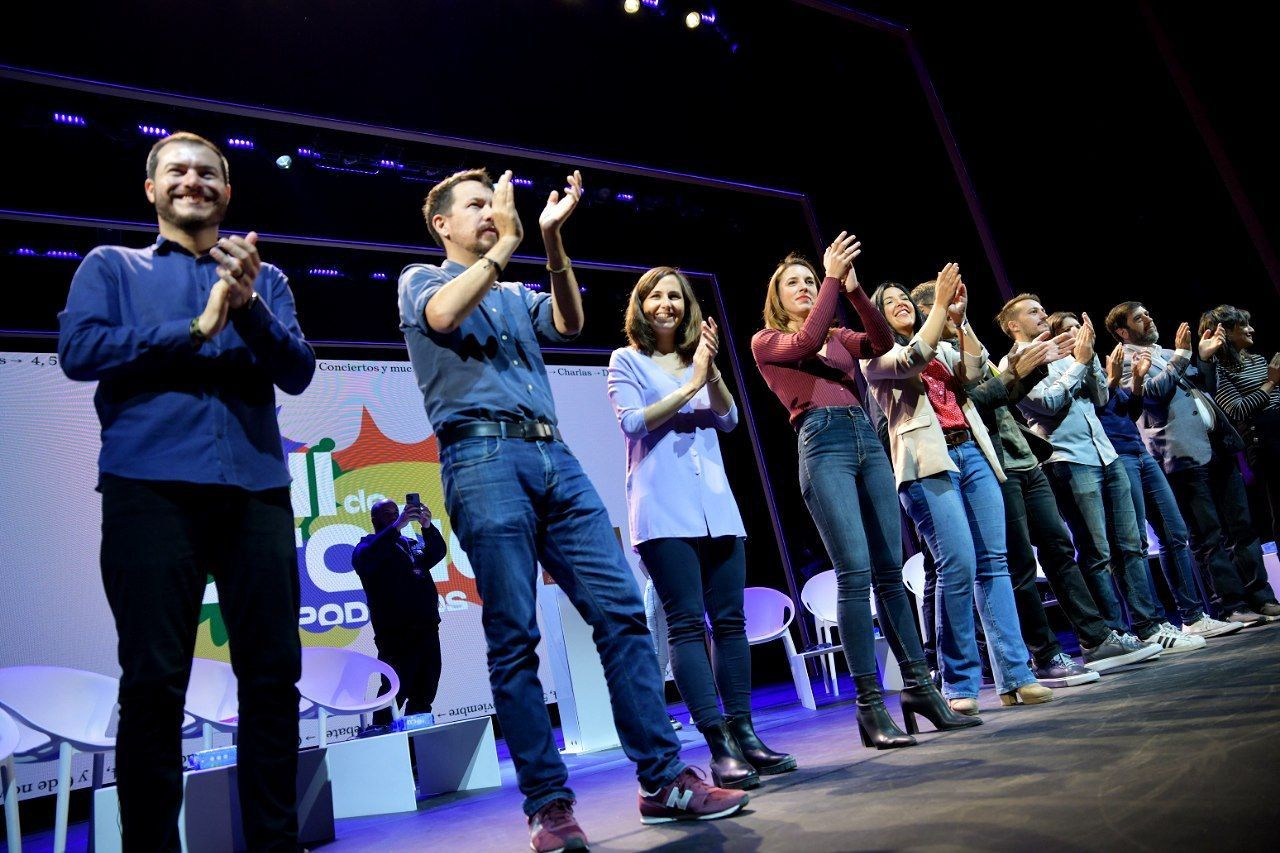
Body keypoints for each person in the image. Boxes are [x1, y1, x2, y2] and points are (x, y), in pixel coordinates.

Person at [397, 168, 746, 852]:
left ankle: (663, 779)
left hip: (556, 458)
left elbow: (569, 320)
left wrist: (552, 243)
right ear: (442, 224)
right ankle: (550, 806)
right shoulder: (421, 279)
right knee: (513, 636)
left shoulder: (514, 291)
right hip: (481, 458)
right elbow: (443, 318)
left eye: (497, 204)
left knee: (620, 612)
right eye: (477, 205)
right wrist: (503, 249)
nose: (493, 212)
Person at [58, 132, 315, 850]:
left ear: (228, 193)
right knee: (152, 684)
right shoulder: (111, 266)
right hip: (150, 492)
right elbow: (80, 351)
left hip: (256, 491)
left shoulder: (267, 277)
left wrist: (249, 306)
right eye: (177, 170)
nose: (193, 180)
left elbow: (297, 371)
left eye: (209, 172)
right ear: (151, 189)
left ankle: (274, 842)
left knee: (271, 679)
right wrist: (196, 327)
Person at [752, 235, 979, 747]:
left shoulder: (837, 335)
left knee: (890, 573)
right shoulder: (768, 341)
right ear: (777, 297)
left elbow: (880, 345)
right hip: (822, 442)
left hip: (865, 439)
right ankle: (869, 707)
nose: (807, 287)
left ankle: (922, 690)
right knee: (855, 573)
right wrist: (833, 276)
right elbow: (806, 344)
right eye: (796, 283)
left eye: (812, 281)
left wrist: (854, 292)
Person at [608, 266, 795, 790]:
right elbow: (631, 422)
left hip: (716, 506)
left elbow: (729, 419)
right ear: (641, 306)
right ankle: (718, 746)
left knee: (730, 623)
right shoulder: (627, 360)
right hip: (663, 511)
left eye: (676, 296)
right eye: (656, 296)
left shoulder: (699, 360)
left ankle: (746, 735)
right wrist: (690, 382)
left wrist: (706, 371)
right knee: (688, 626)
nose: (667, 304)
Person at [911, 285, 1145, 686]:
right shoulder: (933, 359)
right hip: (993, 466)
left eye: (955, 303)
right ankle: (1046, 654)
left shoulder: (967, 342)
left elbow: (1005, 395)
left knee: (1058, 549)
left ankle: (1095, 638)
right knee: (1016, 564)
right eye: (943, 306)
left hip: (1024, 458)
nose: (952, 310)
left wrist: (1032, 368)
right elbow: (974, 404)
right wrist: (1018, 371)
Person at [864, 268, 1054, 713]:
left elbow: (972, 372)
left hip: (971, 453)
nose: (900, 304)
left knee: (995, 563)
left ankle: (1016, 676)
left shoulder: (943, 346)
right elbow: (913, 359)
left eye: (903, 298)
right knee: (958, 566)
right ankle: (959, 683)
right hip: (928, 465)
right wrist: (939, 318)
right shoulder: (876, 354)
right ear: (878, 315)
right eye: (889, 302)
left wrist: (961, 317)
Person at [1048, 311, 1241, 645]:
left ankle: (1192, 617)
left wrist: (1133, 383)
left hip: (1137, 449)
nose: (1076, 334)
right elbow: (1090, 411)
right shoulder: (1063, 371)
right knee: (1131, 543)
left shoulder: (1094, 364)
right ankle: (1146, 624)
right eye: (1067, 331)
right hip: (1114, 457)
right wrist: (1111, 378)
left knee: (1175, 532)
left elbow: (1127, 410)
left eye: (1078, 327)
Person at [998, 295, 1168, 655]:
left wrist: (1087, 360)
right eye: (1033, 312)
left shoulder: (1063, 351)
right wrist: (1079, 363)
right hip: (1069, 459)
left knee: (1130, 545)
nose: (1043, 314)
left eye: (1042, 308)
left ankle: (1147, 626)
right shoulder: (1014, 362)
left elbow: (1101, 398)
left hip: (1105, 454)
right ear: (1013, 325)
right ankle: (1110, 634)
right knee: (1096, 552)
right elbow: (1046, 406)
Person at [1104, 301, 1280, 624]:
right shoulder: (1124, 361)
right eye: (1139, 317)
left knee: (1242, 528)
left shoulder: (1168, 351)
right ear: (1122, 331)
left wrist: (1204, 358)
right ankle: (1231, 605)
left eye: (1147, 313)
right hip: (1180, 453)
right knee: (1208, 534)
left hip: (1215, 444)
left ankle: (1261, 597)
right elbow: (1153, 396)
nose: (1148, 318)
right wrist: (1184, 356)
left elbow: (1205, 387)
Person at [352, 497, 448, 726]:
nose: (395, 516)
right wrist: (396, 527)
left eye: (396, 512)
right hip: (397, 634)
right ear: (374, 519)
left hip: (427, 628)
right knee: (395, 691)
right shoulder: (367, 547)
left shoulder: (409, 544)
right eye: (387, 513)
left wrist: (427, 526)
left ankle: (416, 751)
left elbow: (437, 553)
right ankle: (382, 742)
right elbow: (366, 560)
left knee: (425, 689)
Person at [1200, 304, 1280, 544]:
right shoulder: (1220, 370)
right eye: (1243, 325)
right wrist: (1271, 382)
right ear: (1225, 332)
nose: (1251, 329)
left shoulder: (1258, 360)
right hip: (1264, 442)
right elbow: (1236, 409)